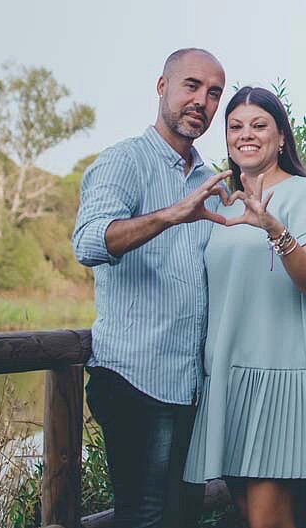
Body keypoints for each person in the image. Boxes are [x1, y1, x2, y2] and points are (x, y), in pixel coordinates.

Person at [73, 48, 230, 528]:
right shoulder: (124, 161)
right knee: (142, 519)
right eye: (191, 86)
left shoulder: (211, 179)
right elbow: (88, 241)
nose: (201, 101)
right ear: (162, 87)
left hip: (189, 386)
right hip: (134, 378)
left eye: (213, 94)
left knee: (183, 518)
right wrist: (172, 214)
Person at [182, 86, 306, 528]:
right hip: (226, 378)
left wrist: (274, 228)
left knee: (268, 520)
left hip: (278, 374)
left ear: (281, 137)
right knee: (248, 514)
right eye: (235, 126)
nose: (245, 135)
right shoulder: (219, 200)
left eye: (259, 125)